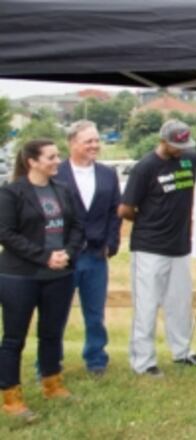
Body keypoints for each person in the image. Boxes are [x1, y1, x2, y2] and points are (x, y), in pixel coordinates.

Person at [0, 139, 84, 420]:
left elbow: (77, 226)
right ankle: (10, 398)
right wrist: (44, 256)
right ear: (32, 162)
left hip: (59, 274)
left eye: (58, 155)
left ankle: (52, 384)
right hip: (20, 277)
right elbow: (6, 233)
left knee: (51, 333)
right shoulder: (11, 193)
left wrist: (67, 253)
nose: (58, 160)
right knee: (14, 338)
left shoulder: (63, 190)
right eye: (51, 157)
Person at [118, 119, 196, 377]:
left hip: (180, 245)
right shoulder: (145, 168)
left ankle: (182, 351)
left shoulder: (189, 159)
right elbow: (124, 209)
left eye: (185, 145)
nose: (181, 149)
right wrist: (148, 220)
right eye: (176, 145)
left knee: (180, 303)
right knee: (146, 305)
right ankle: (143, 361)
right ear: (162, 141)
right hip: (149, 247)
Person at [53, 120, 121, 376]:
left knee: (95, 313)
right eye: (88, 141)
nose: (94, 145)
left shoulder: (107, 174)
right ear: (72, 143)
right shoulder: (56, 173)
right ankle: (49, 362)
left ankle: (96, 359)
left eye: (96, 140)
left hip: (95, 255)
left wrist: (111, 244)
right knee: (55, 313)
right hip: (63, 256)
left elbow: (115, 212)